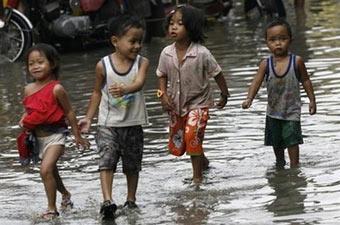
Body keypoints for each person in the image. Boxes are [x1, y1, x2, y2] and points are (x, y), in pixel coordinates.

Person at [78, 15, 149, 219]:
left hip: (133, 123)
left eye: (139, 41)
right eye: (132, 41)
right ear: (115, 41)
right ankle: (107, 201)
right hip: (107, 124)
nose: (137, 46)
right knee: (106, 159)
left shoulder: (142, 62)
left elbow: (140, 83)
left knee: (132, 164)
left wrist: (126, 88)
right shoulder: (103, 65)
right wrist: (89, 118)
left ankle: (131, 199)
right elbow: (96, 92)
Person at [156, 5, 230, 184]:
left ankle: (197, 179)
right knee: (180, 144)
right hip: (176, 104)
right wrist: (163, 96)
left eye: (179, 24)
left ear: (191, 28)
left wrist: (224, 94)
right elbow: (161, 75)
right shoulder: (166, 53)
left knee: (191, 137)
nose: (173, 27)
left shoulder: (202, 53)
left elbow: (217, 73)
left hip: (199, 103)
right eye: (171, 23)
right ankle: (203, 162)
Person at [19, 43, 90, 219]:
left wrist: (77, 136)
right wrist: (23, 118)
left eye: (40, 62)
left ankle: (52, 209)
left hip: (56, 137)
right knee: (51, 172)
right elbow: (29, 109)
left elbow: (69, 112)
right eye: (31, 63)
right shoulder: (28, 89)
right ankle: (65, 194)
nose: (35, 66)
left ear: (52, 64)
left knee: (45, 170)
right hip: (38, 138)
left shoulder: (57, 88)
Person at [242, 19, 316, 168]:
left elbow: (306, 80)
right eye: (273, 40)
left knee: (292, 140)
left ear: (290, 40)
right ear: (266, 42)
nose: (278, 43)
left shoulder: (297, 62)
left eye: (283, 39)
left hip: (291, 111)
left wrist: (312, 101)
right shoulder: (265, 64)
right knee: (276, 142)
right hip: (273, 112)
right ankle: (280, 164)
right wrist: (249, 98)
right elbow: (256, 82)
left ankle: (295, 168)